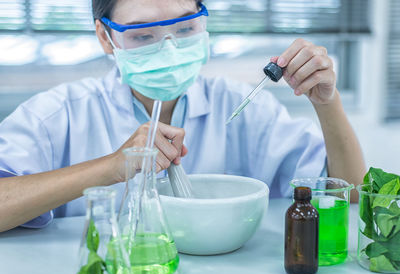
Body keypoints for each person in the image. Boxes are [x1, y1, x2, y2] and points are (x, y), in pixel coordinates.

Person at [0, 0, 365, 232]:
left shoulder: (242, 107)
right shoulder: (56, 115)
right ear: (104, 37)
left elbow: (349, 195)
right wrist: (112, 166)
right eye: (144, 36)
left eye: (186, 28)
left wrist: (326, 103)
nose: (170, 48)